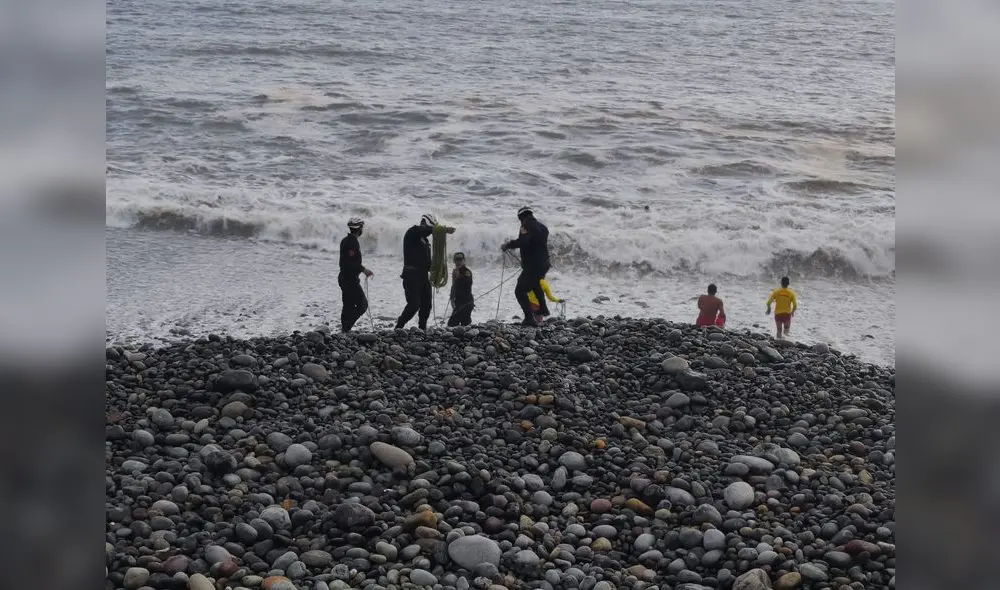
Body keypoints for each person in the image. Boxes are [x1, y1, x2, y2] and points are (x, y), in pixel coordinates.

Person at [395, 213, 455, 330]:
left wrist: (437, 268)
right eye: (430, 227)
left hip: (423, 276)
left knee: (427, 305)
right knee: (414, 304)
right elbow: (421, 231)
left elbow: (427, 261)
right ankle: (399, 327)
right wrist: (443, 230)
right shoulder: (412, 232)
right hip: (411, 275)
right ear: (423, 223)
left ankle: (422, 328)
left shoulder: (425, 241)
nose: (430, 231)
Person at [501, 205, 550, 326]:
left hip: (533, 266)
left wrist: (507, 245)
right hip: (545, 264)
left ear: (521, 217)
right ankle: (543, 309)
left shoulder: (526, 226)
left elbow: (523, 242)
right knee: (535, 284)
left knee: (519, 291)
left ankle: (529, 318)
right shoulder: (543, 227)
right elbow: (535, 245)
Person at [338, 217, 374, 333]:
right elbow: (350, 263)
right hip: (350, 280)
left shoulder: (346, 240)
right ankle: (346, 328)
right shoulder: (352, 243)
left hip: (344, 277)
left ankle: (345, 330)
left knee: (347, 305)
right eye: (362, 227)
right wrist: (364, 270)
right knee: (362, 305)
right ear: (359, 229)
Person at [447, 252, 475, 327]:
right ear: (454, 261)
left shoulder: (466, 272)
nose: (458, 262)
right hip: (460, 302)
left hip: (466, 302)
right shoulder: (455, 271)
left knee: (451, 324)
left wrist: (460, 277)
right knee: (465, 324)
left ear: (464, 260)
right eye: (456, 260)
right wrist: (452, 297)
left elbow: (468, 283)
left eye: (460, 259)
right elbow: (454, 287)